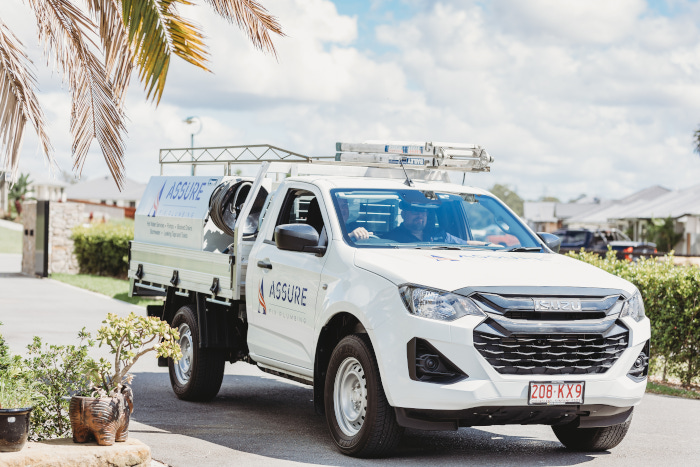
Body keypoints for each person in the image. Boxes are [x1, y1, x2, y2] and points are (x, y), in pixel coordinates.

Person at [384, 202, 467, 244]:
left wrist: (480, 244)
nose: (420, 215)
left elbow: (465, 244)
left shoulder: (439, 234)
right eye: (414, 211)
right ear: (403, 214)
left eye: (423, 212)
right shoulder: (391, 238)